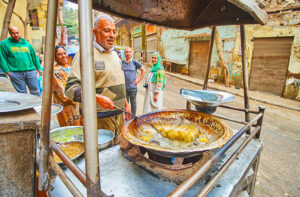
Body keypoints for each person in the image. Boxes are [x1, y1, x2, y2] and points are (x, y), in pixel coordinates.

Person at [65, 15, 131, 144]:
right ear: (95, 32)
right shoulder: (85, 54)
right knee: (101, 158)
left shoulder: (114, 54)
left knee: (117, 152)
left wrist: (126, 105)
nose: (112, 35)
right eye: (107, 31)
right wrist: (96, 98)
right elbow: (70, 89)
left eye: (114, 31)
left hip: (119, 116)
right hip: (98, 119)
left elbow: (117, 82)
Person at [0, 26, 43, 96]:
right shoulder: (4, 44)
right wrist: (7, 72)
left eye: (17, 33)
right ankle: (26, 107)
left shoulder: (26, 43)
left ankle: (36, 106)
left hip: (30, 71)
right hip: (15, 73)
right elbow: (1, 59)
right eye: (13, 33)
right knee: (22, 94)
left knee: (35, 91)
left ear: (19, 33)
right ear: (10, 33)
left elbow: (34, 56)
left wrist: (39, 68)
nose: (16, 35)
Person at [53, 46, 81, 126]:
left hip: (79, 104)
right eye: (59, 54)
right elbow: (63, 94)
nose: (63, 56)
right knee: (72, 131)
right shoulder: (55, 72)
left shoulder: (71, 68)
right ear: (55, 58)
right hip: (68, 108)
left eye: (64, 53)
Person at [121, 47, 145, 116]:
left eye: (130, 52)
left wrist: (138, 80)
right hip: (124, 88)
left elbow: (143, 70)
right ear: (124, 53)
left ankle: (133, 118)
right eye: (126, 52)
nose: (128, 53)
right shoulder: (122, 62)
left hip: (133, 88)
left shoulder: (135, 62)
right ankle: (127, 118)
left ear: (132, 53)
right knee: (125, 105)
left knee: (133, 104)